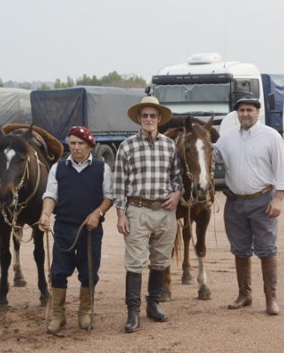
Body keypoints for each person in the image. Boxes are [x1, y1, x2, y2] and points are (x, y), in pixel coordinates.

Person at [214, 95, 284, 315]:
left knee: (267, 250)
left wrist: (279, 198)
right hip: (235, 202)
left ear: (258, 112)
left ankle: (271, 299)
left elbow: (282, 168)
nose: (245, 114)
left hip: (263, 201)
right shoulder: (227, 138)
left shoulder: (271, 137)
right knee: (240, 249)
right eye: (241, 111)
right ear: (236, 114)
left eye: (249, 110)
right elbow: (213, 154)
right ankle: (245, 294)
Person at [113, 96, 183, 333]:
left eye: (153, 116)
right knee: (135, 262)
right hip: (138, 209)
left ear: (160, 119)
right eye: (145, 116)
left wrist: (177, 194)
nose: (149, 119)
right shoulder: (127, 146)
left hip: (164, 210)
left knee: (161, 260)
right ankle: (133, 312)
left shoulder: (169, 145)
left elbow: (176, 176)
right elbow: (119, 183)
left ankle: (153, 304)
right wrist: (121, 214)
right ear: (139, 119)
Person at [39, 126, 113, 334]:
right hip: (63, 227)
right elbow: (51, 195)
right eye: (73, 143)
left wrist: (97, 213)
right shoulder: (58, 168)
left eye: (81, 144)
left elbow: (109, 197)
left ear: (90, 145)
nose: (77, 148)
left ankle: (85, 312)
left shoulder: (102, 168)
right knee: (58, 271)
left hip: (91, 230)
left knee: (89, 271)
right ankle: (58, 315)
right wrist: (45, 214)